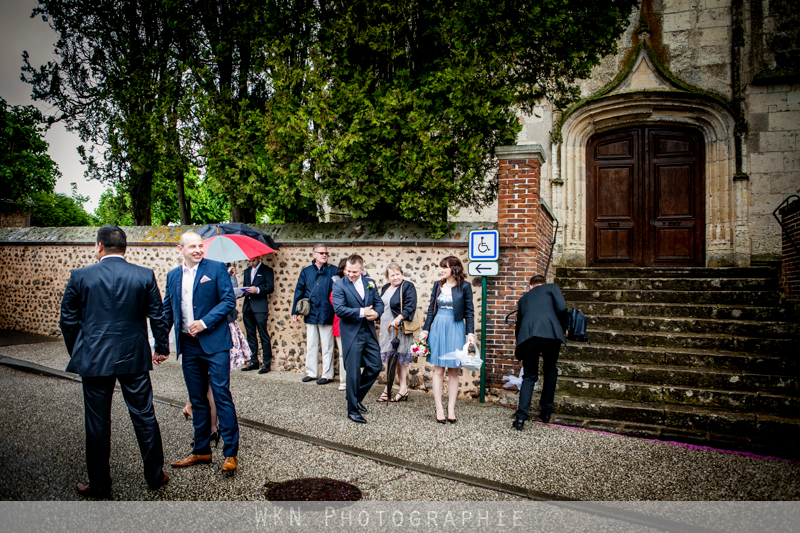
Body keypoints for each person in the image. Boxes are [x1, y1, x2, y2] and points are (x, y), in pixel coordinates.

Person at [59, 225, 170, 498]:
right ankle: (155, 476)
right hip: (134, 357)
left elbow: (68, 320)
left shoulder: (80, 276)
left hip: (94, 360)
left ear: (99, 246)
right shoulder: (143, 275)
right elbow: (158, 316)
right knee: (144, 416)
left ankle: (99, 485)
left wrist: (79, 351)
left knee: (97, 423)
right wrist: (162, 348)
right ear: (125, 248)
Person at [160, 231, 239, 473]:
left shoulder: (216, 269)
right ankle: (201, 451)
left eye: (200, 246)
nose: (197, 250)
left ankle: (230, 453)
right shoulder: (173, 276)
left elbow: (228, 302)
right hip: (189, 346)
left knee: (221, 395)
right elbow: (167, 311)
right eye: (192, 246)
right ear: (180, 249)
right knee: (197, 400)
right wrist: (158, 345)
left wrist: (204, 322)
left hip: (214, 343)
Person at [181, 263, 250, 448]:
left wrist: (229, 278)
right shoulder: (185, 275)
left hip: (220, 332)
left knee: (217, 388)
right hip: (195, 339)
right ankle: (208, 432)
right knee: (203, 388)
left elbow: (229, 300)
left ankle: (216, 432)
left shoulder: (222, 272)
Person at [419, 256, 475, 424]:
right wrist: (425, 329)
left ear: (454, 269)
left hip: (456, 327)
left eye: (445, 267)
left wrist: (470, 333)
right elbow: (431, 309)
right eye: (441, 267)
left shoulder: (465, 287)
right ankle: (439, 408)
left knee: (453, 370)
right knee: (438, 370)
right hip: (438, 326)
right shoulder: (437, 285)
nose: (442, 270)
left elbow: (469, 311)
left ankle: (451, 408)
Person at [331, 254, 384, 423]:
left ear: (362, 270)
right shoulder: (339, 285)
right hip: (352, 333)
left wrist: (376, 313)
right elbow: (339, 309)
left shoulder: (370, 283)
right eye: (348, 271)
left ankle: (355, 397)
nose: (351, 274)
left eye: (354, 271)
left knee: (375, 366)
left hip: (368, 331)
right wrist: (362, 312)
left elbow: (379, 303)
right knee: (353, 372)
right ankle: (352, 410)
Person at [512, 274, 569, 429]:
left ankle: (520, 418)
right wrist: (564, 328)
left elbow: (519, 324)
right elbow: (562, 308)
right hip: (551, 334)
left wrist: (520, 344)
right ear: (544, 283)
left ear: (530, 286)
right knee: (550, 371)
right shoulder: (552, 288)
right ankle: (546, 412)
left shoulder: (524, 298)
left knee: (529, 376)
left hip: (529, 337)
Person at [291, 243, 338, 385]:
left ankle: (327, 374)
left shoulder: (334, 271)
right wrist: (295, 311)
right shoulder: (306, 272)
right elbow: (299, 290)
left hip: (327, 312)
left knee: (327, 345)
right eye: (321, 253)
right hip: (310, 312)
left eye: (326, 253)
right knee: (311, 344)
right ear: (314, 255)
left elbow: (337, 292)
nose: (324, 255)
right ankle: (311, 372)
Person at [377, 263, 417, 403]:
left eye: (398, 273)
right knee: (396, 360)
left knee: (395, 359)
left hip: (398, 329)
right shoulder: (384, 288)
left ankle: (387, 390)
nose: (396, 277)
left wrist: (398, 318)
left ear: (402, 274)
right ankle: (403, 390)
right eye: (392, 275)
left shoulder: (407, 286)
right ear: (388, 277)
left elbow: (410, 306)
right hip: (385, 328)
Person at [240, 256, 275, 374]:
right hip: (247, 306)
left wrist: (258, 290)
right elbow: (245, 286)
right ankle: (254, 361)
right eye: (249, 261)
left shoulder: (267, 270)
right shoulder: (246, 271)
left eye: (253, 261)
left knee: (263, 334)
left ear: (259, 258)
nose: (251, 263)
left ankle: (266, 363)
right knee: (250, 335)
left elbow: (270, 288)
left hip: (260, 307)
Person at [330, 258, 348, 391]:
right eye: (347, 269)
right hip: (341, 324)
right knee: (342, 354)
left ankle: (356, 380)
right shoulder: (337, 284)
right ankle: (344, 380)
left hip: (357, 324)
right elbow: (333, 301)